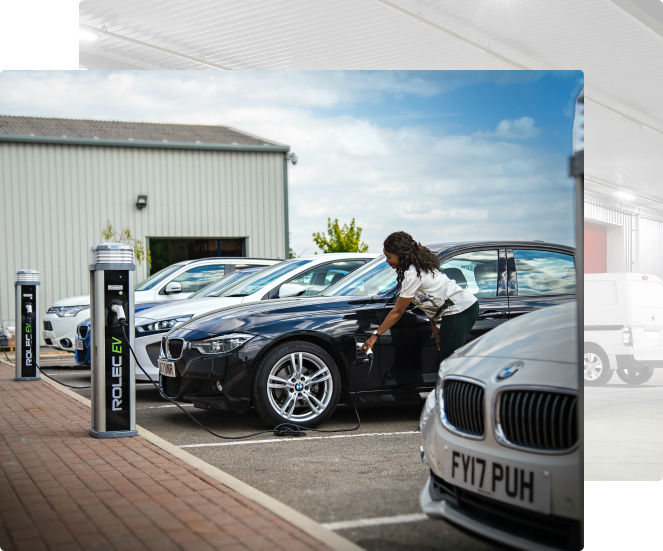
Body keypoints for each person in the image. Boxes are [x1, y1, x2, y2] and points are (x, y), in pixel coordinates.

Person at [362, 231, 479, 363]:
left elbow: (398, 311)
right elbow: (429, 298)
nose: (387, 261)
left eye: (389, 257)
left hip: (460, 309)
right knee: (446, 358)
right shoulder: (417, 268)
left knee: (448, 361)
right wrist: (434, 326)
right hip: (457, 309)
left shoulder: (413, 273)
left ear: (401, 255)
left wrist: (375, 335)